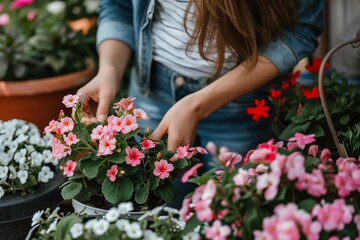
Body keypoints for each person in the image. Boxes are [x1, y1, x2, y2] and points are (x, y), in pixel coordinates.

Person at [77, 0, 324, 207]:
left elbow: (300, 29)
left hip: (242, 103)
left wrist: (198, 105)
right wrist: (109, 69)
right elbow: (118, 5)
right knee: (154, 216)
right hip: (153, 93)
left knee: (232, 214)